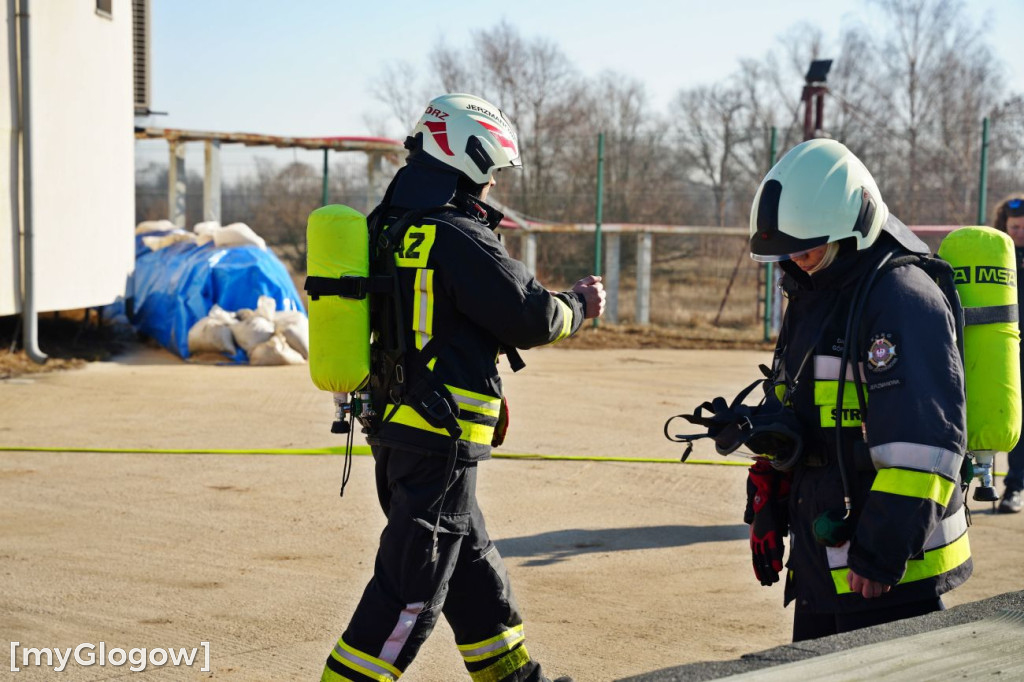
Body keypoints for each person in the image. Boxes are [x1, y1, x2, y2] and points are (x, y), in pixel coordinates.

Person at [319, 93, 604, 682]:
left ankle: (514, 678)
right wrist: (580, 304)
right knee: (410, 594)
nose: (494, 184)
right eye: (493, 169)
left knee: (471, 567)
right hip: (439, 438)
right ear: (469, 154)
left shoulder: (385, 225)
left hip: (396, 430)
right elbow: (532, 317)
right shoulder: (456, 234)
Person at [741, 139, 972, 641]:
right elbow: (798, 407)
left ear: (855, 226)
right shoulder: (817, 290)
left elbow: (925, 444)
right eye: (786, 251)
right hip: (826, 557)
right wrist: (769, 492)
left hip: (888, 575)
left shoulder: (901, 298)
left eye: (807, 247)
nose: (797, 259)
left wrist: (880, 552)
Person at [992, 193, 1024, 514]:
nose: (1020, 234)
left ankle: (1014, 487)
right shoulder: (997, 258)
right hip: (1000, 349)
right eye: (1015, 227)